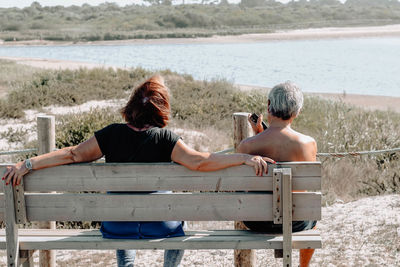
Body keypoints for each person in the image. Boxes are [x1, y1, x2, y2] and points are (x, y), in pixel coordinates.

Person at [2, 75, 274, 267]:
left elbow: (73, 154)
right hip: (162, 226)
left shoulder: (110, 135)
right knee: (182, 220)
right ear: (161, 110)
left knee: (121, 209)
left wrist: (28, 164)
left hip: (117, 226)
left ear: (131, 106)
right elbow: (200, 162)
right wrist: (242, 159)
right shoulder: (165, 139)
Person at [237, 81, 317, 267]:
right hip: (296, 222)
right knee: (311, 216)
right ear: (297, 112)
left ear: (268, 106)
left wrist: (259, 133)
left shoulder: (247, 146)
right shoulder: (308, 144)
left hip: (256, 221)